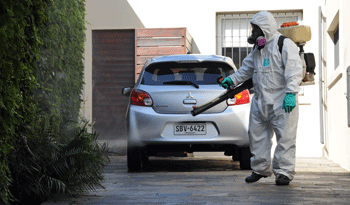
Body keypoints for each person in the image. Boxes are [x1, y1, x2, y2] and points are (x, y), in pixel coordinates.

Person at [220, 11, 303, 185]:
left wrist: (291, 93)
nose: (253, 32)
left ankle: (284, 172)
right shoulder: (258, 48)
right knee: (256, 135)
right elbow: (247, 68)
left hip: (282, 100)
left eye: (256, 29)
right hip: (260, 99)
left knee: (285, 137)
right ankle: (260, 169)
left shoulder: (284, 44)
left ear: (265, 28)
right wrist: (232, 80)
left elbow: (294, 70)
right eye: (253, 29)